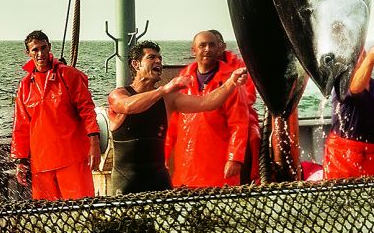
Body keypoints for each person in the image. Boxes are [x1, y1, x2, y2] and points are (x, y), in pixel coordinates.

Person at [107, 40, 248, 195]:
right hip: (126, 180)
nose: (158, 61)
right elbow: (128, 106)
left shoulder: (169, 99)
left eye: (160, 58)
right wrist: (165, 89)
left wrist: (231, 82)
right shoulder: (119, 94)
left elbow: (207, 102)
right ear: (136, 64)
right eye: (152, 57)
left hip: (158, 179)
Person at [10, 30, 101, 201]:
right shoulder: (24, 85)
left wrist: (94, 141)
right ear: (28, 53)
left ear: (50, 47)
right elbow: (21, 126)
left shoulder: (68, 75)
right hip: (41, 164)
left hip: (73, 159)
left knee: (80, 210)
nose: (40, 54)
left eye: (43, 48)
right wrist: (20, 161)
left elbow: (87, 109)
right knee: (48, 216)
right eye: (35, 50)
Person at [164, 30, 251, 188]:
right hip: (186, 163)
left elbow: (239, 122)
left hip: (218, 161)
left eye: (212, 45)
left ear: (219, 49)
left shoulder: (230, 82)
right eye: (202, 45)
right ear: (194, 50)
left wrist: (234, 158)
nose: (207, 49)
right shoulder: (181, 81)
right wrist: (164, 155)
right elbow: (171, 124)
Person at [323, 43, 374, 179]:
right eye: (355, 55)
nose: (360, 56)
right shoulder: (342, 82)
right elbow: (355, 87)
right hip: (342, 157)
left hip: (373, 155)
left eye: (362, 54)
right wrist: (370, 60)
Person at [209, 30, 261, 184]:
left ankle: (254, 176)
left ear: (222, 46)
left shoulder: (240, 66)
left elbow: (250, 95)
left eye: (214, 44)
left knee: (253, 136)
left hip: (242, 112)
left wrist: (230, 100)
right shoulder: (200, 68)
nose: (211, 49)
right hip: (211, 111)